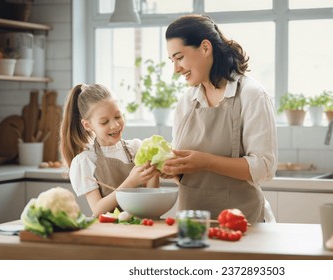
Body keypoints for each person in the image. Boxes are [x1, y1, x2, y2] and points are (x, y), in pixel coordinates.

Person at [163, 14, 278, 223]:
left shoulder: (251, 95)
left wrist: (205, 162)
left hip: (244, 222)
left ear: (205, 48)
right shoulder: (185, 103)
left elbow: (264, 168)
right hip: (193, 224)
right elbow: (185, 171)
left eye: (179, 57)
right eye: (172, 60)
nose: (176, 68)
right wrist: (171, 168)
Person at [60, 83, 160, 216]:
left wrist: (155, 171)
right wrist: (130, 182)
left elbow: (151, 202)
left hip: (142, 227)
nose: (115, 125)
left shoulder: (136, 148)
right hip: (109, 231)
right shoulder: (86, 161)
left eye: (118, 117)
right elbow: (97, 210)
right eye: (104, 122)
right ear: (88, 125)